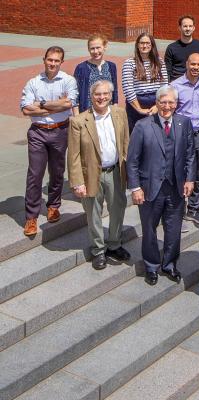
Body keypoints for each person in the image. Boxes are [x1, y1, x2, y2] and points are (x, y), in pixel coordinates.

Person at [127, 85, 196, 286]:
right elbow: (132, 160)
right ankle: (151, 266)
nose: (166, 106)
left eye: (170, 102)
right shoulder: (142, 126)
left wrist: (190, 179)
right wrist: (135, 187)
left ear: (176, 104)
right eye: (163, 102)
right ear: (157, 103)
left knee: (173, 230)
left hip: (175, 187)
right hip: (150, 189)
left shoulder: (184, 123)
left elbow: (191, 154)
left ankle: (170, 264)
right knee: (149, 229)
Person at [67, 80, 130, 268]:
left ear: (111, 95)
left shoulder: (120, 114)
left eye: (105, 94)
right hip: (91, 175)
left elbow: (126, 143)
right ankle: (98, 250)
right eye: (97, 94)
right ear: (91, 96)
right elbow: (74, 155)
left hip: (115, 172)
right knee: (93, 213)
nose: (101, 98)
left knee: (118, 209)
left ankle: (114, 244)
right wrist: (77, 182)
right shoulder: (79, 121)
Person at [20, 46, 79, 236]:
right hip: (37, 132)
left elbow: (69, 103)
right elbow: (26, 109)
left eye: (56, 61)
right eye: (49, 60)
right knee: (35, 174)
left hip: (60, 131)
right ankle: (31, 217)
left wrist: (42, 104)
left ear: (62, 62)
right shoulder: (33, 82)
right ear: (43, 59)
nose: (52, 63)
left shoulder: (68, 80)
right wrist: (56, 107)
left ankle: (53, 205)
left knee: (57, 171)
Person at [172, 52, 199, 218]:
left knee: (198, 169)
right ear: (187, 64)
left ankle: (194, 208)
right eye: (193, 64)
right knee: (180, 168)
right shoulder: (175, 85)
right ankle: (179, 206)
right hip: (181, 134)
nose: (196, 68)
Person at [122, 33, 169, 133]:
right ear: (137, 45)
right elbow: (128, 88)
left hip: (156, 102)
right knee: (136, 135)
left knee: (156, 134)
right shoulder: (129, 63)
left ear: (152, 45)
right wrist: (139, 109)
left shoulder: (159, 62)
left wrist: (158, 106)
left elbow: (164, 86)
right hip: (136, 103)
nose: (144, 46)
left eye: (147, 43)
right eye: (142, 43)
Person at [73, 33, 118, 114]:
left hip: (108, 110)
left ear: (104, 47)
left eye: (98, 48)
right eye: (92, 48)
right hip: (88, 112)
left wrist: (115, 106)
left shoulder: (111, 66)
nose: (95, 51)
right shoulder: (81, 68)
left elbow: (114, 89)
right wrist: (77, 115)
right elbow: (75, 93)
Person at [164, 15, 199, 81]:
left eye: (190, 26)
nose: (188, 29)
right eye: (185, 26)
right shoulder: (171, 48)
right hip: (177, 84)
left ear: (193, 28)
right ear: (179, 28)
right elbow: (168, 70)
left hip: (195, 83)